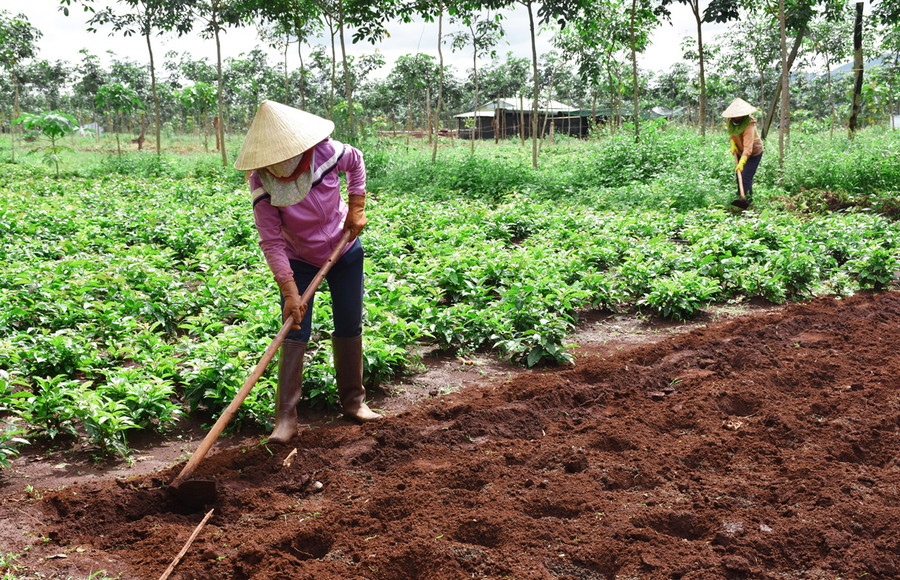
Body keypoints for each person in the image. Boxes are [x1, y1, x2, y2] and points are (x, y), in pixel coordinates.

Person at [234, 100, 382, 444]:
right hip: (298, 258)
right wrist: (289, 291)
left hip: (343, 247)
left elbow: (356, 161)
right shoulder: (261, 187)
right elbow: (271, 242)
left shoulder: (326, 152)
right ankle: (286, 418)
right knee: (296, 328)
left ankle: (354, 403)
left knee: (349, 321)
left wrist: (357, 207)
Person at [722, 98, 764, 207]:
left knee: (746, 176)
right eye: (734, 116)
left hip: (754, 153)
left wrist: (742, 161)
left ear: (743, 115)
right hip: (741, 150)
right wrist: (732, 143)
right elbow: (732, 133)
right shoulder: (730, 121)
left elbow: (748, 148)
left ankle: (748, 200)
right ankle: (740, 195)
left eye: (738, 116)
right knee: (739, 175)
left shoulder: (749, 125)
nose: (735, 118)